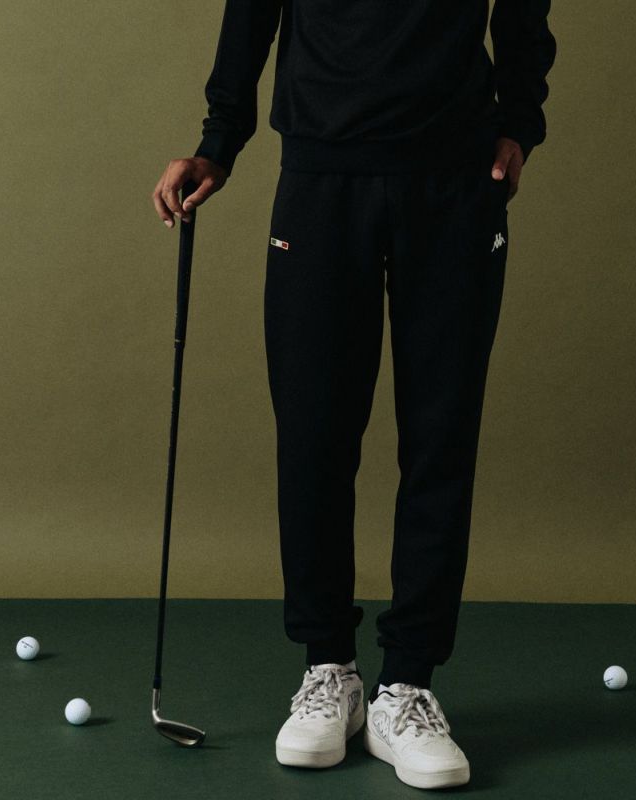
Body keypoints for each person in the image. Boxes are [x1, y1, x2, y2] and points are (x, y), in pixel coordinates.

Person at [152, 0, 556, 789]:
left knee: (440, 436)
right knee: (314, 433)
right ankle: (328, 670)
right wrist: (218, 142)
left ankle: (407, 686)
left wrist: (519, 120)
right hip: (321, 171)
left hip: (454, 177)